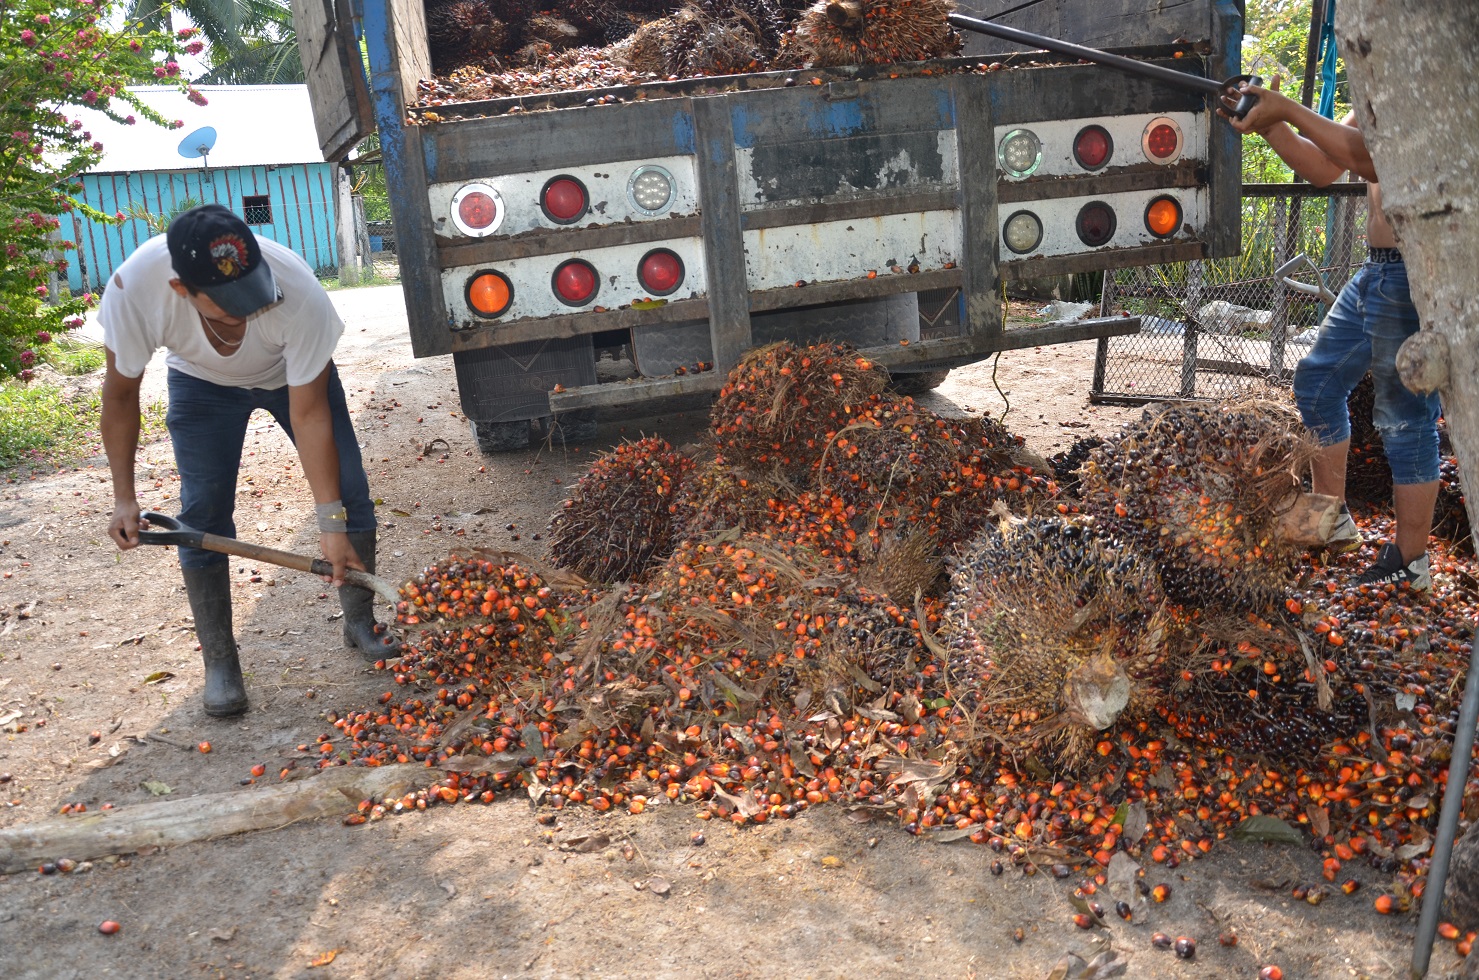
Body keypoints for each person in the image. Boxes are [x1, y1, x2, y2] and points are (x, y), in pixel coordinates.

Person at [100, 204, 400, 718]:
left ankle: (360, 621)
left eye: (249, 293)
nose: (243, 311)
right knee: (203, 511)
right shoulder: (136, 290)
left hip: (291, 378)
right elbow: (121, 396)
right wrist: (124, 497)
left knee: (350, 495)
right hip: (202, 386)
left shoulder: (298, 291)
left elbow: (309, 414)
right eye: (225, 304)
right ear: (181, 290)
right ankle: (221, 662)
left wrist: (329, 522)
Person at [1220, 78, 1440, 592]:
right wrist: (1269, 123)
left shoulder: (1432, 90)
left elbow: (1367, 159)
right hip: (1377, 271)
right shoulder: (1378, 95)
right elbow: (1323, 166)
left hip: (1414, 273)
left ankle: (1411, 563)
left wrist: (1289, 109)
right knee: (1316, 382)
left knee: (1405, 419)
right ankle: (1332, 518)